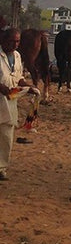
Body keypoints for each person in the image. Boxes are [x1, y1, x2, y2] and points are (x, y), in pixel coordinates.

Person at [0, 27, 36, 181]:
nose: (15, 44)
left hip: (10, 101)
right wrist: (2, 88)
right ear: (3, 40)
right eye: (12, 41)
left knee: (6, 138)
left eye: (17, 41)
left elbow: (18, 76)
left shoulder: (17, 56)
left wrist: (28, 86)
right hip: (2, 95)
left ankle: (1, 168)